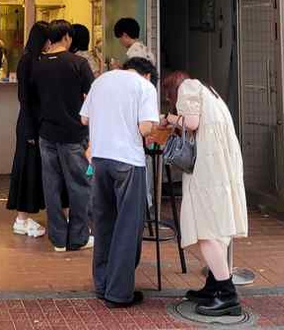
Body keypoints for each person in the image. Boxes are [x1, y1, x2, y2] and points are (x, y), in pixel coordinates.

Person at [161, 70, 248, 318]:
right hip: (224, 163)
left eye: (170, 97)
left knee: (206, 229)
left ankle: (228, 295)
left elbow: (192, 122)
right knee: (217, 224)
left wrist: (168, 118)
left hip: (210, 168)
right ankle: (214, 287)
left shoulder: (188, 87)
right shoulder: (211, 92)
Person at [80, 60, 159, 308]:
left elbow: (84, 119)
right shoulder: (144, 87)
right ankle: (119, 293)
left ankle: (103, 285)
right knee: (128, 226)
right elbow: (146, 127)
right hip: (128, 162)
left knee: (104, 224)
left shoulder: (101, 81)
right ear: (147, 75)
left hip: (100, 159)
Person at [33, 19, 95, 252]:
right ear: (67, 37)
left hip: (46, 133)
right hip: (73, 133)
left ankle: (58, 239)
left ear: (50, 39)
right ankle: (79, 237)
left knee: (51, 186)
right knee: (79, 185)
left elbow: (33, 99)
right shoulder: (78, 63)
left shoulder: (38, 64)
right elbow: (93, 95)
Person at [7, 21, 50, 238]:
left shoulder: (33, 60)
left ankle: (24, 217)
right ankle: (21, 218)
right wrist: (32, 130)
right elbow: (26, 99)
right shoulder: (28, 62)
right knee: (27, 169)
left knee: (32, 169)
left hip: (30, 123)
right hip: (29, 124)